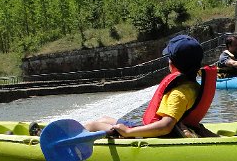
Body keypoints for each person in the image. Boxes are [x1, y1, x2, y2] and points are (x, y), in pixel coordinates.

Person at [84, 34, 213, 138]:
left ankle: (69, 147)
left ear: (172, 63)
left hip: (149, 135)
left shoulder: (178, 94)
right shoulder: (192, 86)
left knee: (92, 125)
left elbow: (165, 126)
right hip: (155, 130)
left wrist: (128, 132)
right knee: (104, 118)